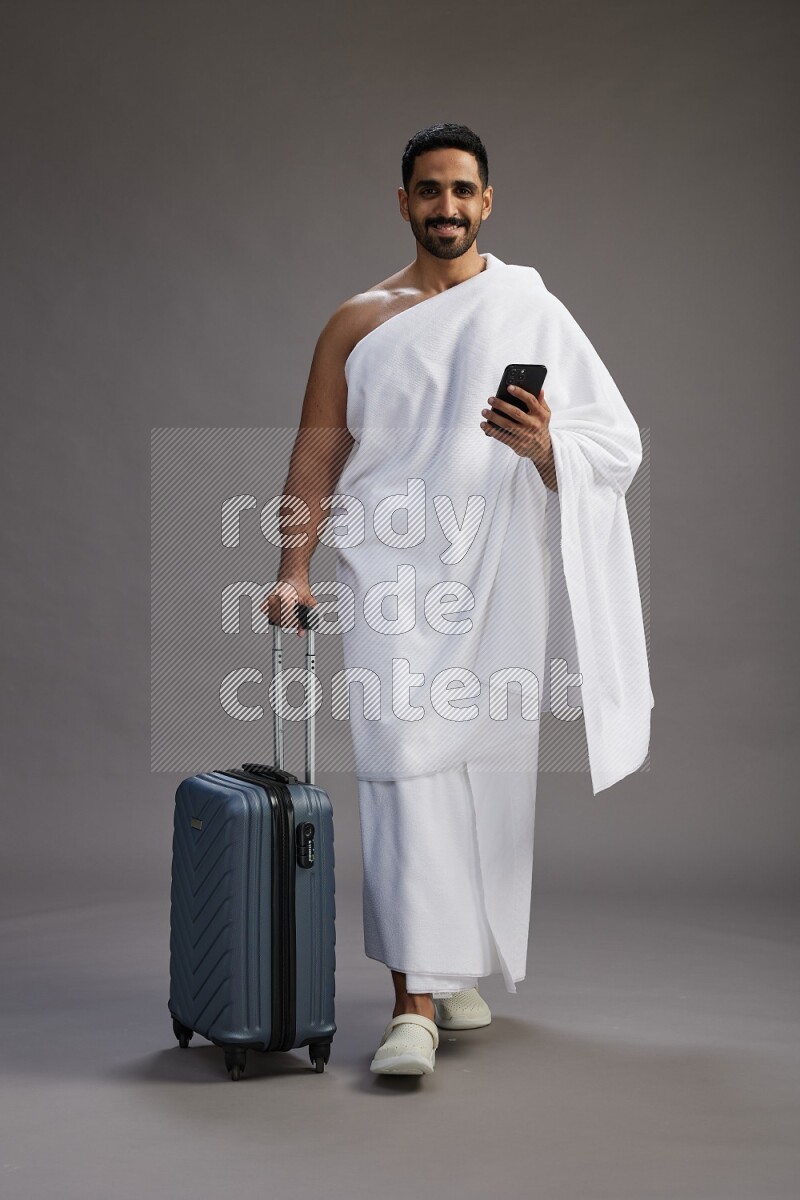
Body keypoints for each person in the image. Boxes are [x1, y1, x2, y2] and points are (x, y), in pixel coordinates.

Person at [261, 123, 653, 1077]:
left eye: (463, 191)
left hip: (495, 567)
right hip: (391, 572)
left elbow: (615, 446)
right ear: (403, 202)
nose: (446, 207)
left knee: (484, 767)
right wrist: (293, 565)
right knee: (402, 764)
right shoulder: (358, 319)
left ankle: (455, 961)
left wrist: (546, 447)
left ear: (488, 203)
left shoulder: (530, 308)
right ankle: (414, 1003)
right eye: (428, 191)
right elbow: (321, 448)